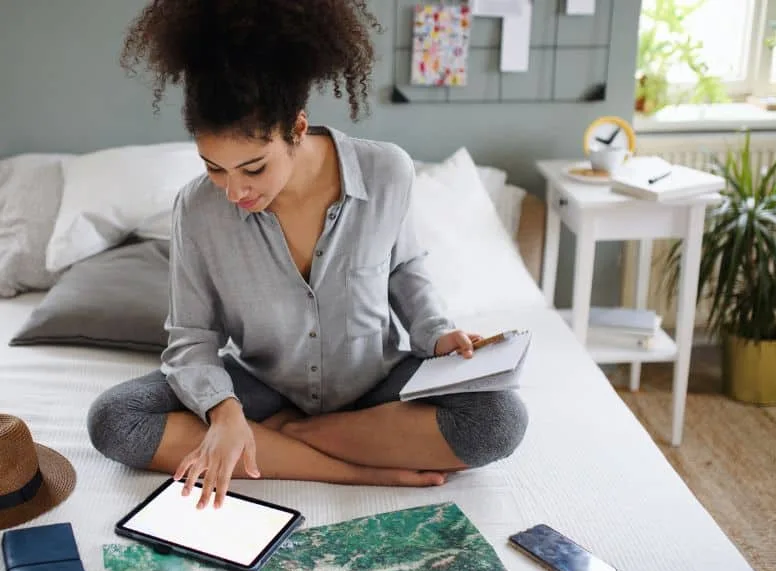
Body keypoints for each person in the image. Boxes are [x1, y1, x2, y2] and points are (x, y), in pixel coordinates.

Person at [88, 0, 528, 510]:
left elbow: (405, 268)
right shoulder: (196, 207)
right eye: (214, 167)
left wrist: (436, 332)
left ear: (297, 129)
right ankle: (349, 468)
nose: (233, 191)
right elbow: (192, 336)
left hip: (376, 380)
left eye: (252, 169)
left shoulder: (387, 170)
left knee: (500, 420)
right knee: (115, 420)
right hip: (261, 384)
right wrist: (225, 412)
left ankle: (285, 435)